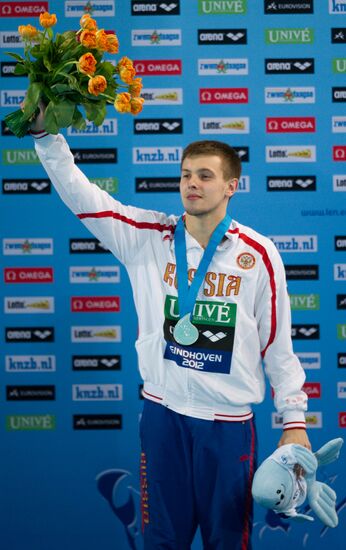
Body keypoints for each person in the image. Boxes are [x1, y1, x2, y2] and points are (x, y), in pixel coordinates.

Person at [29, 108, 311, 550]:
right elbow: (83, 196)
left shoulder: (259, 254)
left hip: (227, 425)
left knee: (227, 542)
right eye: (185, 175)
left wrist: (294, 420)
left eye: (204, 175)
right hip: (163, 417)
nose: (192, 184)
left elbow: (278, 344)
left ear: (231, 187)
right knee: (162, 540)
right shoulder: (147, 236)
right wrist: (47, 137)